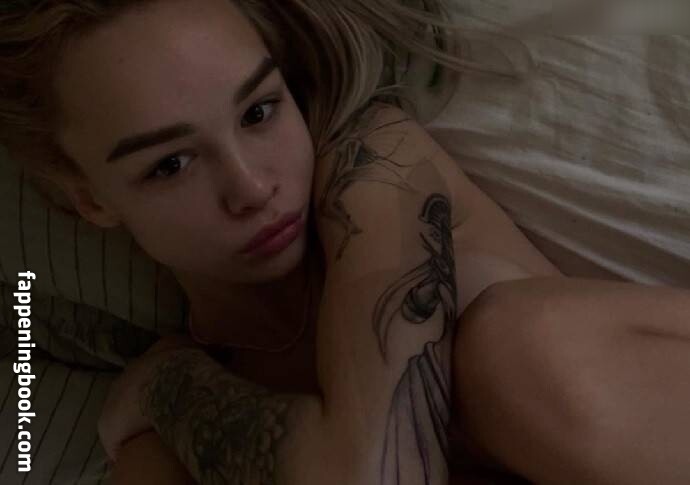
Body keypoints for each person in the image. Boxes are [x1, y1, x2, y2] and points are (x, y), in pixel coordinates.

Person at [1, 1, 688, 484]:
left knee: (513, 349)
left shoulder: (370, 167)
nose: (252, 187)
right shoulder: (164, 435)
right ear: (89, 198)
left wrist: (167, 385)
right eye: (171, 164)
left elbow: (376, 475)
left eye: (259, 111)